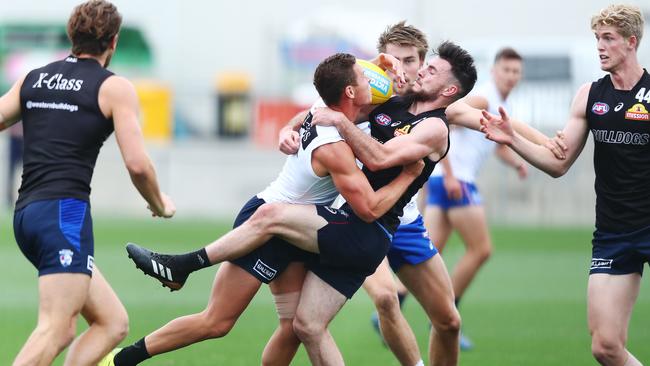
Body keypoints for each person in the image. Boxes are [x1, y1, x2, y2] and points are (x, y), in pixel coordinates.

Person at [112, 53, 422, 366]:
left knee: (293, 329)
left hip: (299, 229)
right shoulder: (333, 147)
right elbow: (368, 207)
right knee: (217, 322)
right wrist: (410, 177)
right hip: (266, 223)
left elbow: (341, 86)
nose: (372, 80)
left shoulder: (330, 110)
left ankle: (181, 269)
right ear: (351, 92)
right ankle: (123, 358)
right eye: (365, 77)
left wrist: (377, 64)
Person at [0, 1, 176, 365]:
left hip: (27, 215)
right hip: (64, 214)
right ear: (113, 42)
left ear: (71, 36)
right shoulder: (114, 88)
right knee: (54, 327)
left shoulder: (34, 77)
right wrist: (160, 202)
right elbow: (138, 165)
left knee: (112, 322)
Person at [479, 4, 646, 366]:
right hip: (614, 232)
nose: (600, 46)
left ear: (631, 42)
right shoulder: (590, 95)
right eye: (597, 38)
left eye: (609, 38)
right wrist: (512, 139)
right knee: (605, 347)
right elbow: (558, 163)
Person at [423, 47, 528, 350]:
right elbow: (444, 120)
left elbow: (497, 145)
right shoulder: (483, 97)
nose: (511, 76)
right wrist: (451, 173)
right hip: (456, 181)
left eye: (516, 72)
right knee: (481, 250)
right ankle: (444, 313)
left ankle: (392, 303)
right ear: (494, 71)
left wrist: (519, 163)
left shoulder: (498, 103)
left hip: (443, 181)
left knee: (429, 252)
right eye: (506, 70)